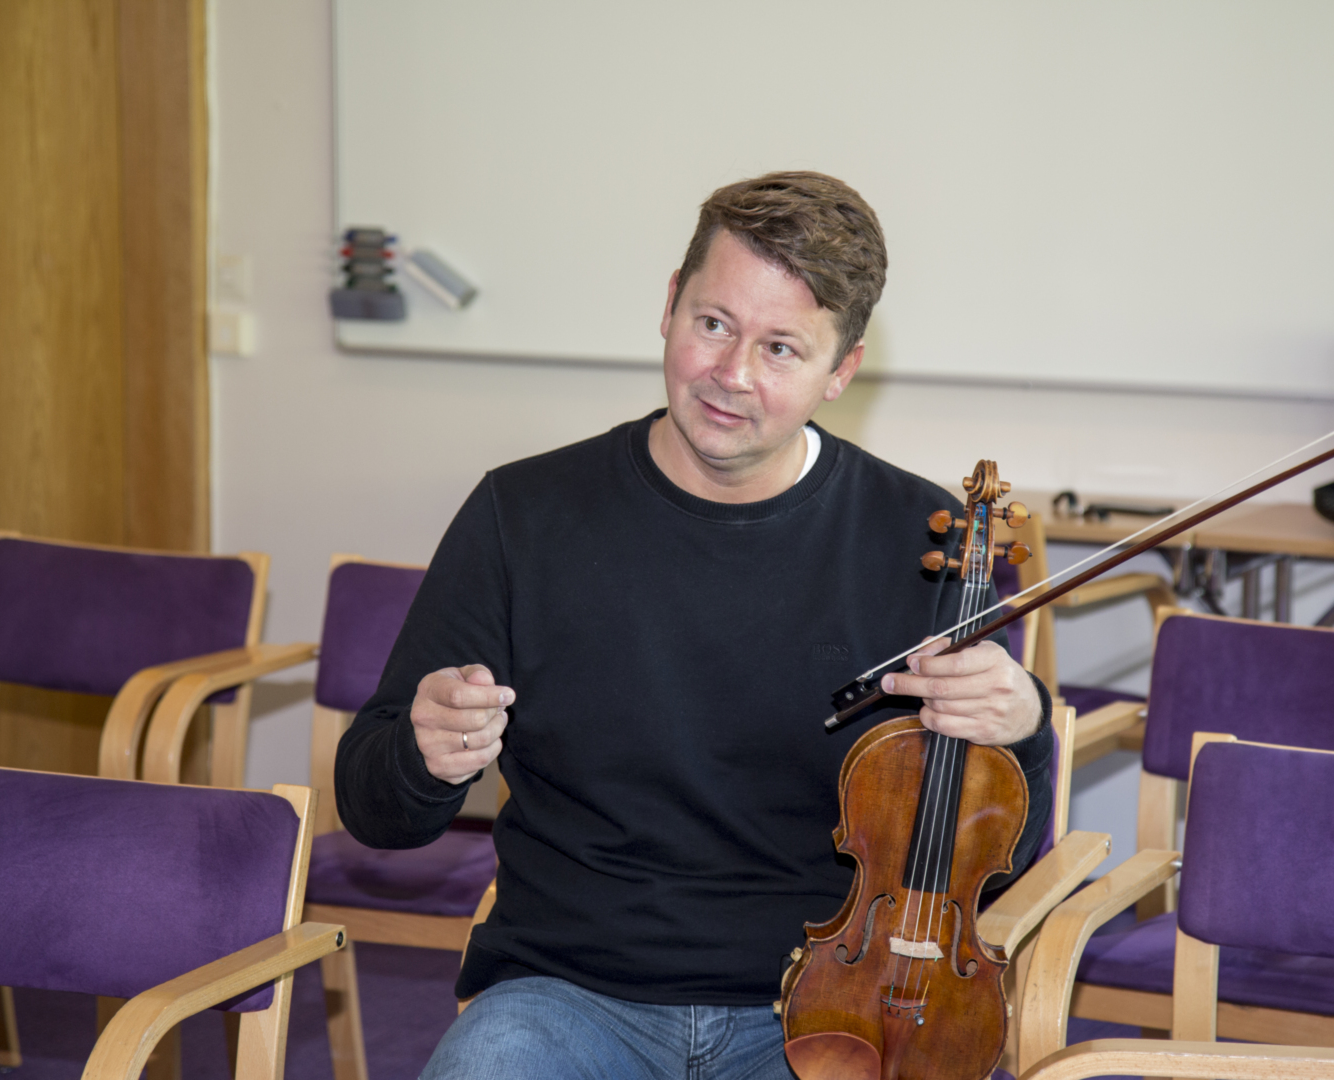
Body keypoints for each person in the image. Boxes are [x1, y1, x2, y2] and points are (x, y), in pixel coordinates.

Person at [335, 171, 1054, 1080]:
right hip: (570, 993)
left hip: (829, 1008)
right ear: (670, 306)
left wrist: (1020, 727)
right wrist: (425, 755)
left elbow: (995, 859)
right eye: (713, 323)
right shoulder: (523, 514)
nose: (732, 375)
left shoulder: (921, 541)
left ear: (841, 372)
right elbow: (373, 808)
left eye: (783, 348)